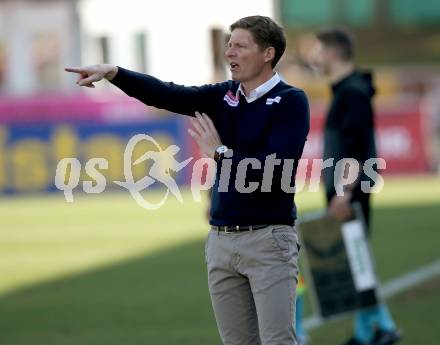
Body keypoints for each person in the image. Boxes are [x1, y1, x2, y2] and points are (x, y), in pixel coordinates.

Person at [66, 15, 309, 345]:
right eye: (228, 45)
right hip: (221, 242)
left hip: (269, 241)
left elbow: (273, 168)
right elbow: (166, 94)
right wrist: (115, 73)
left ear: (267, 53)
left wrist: (219, 152)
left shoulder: (291, 101)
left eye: (240, 46)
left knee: (277, 341)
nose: (229, 53)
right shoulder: (222, 95)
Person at [311, 27, 402, 345]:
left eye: (318, 50)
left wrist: (344, 192)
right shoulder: (347, 90)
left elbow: (355, 147)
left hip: (350, 192)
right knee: (354, 262)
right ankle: (367, 332)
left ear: (333, 53)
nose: (314, 57)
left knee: (357, 260)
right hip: (348, 191)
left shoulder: (352, 93)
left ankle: (383, 326)